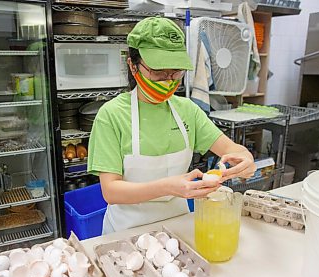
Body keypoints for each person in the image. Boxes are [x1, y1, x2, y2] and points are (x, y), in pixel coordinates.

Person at [88, 17, 256, 234]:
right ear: (132, 65)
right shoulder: (111, 115)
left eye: (175, 72)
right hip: (126, 231)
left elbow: (233, 150)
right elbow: (111, 191)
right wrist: (168, 187)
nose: (168, 80)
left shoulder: (187, 110)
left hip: (179, 228)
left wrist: (246, 160)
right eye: (158, 72)